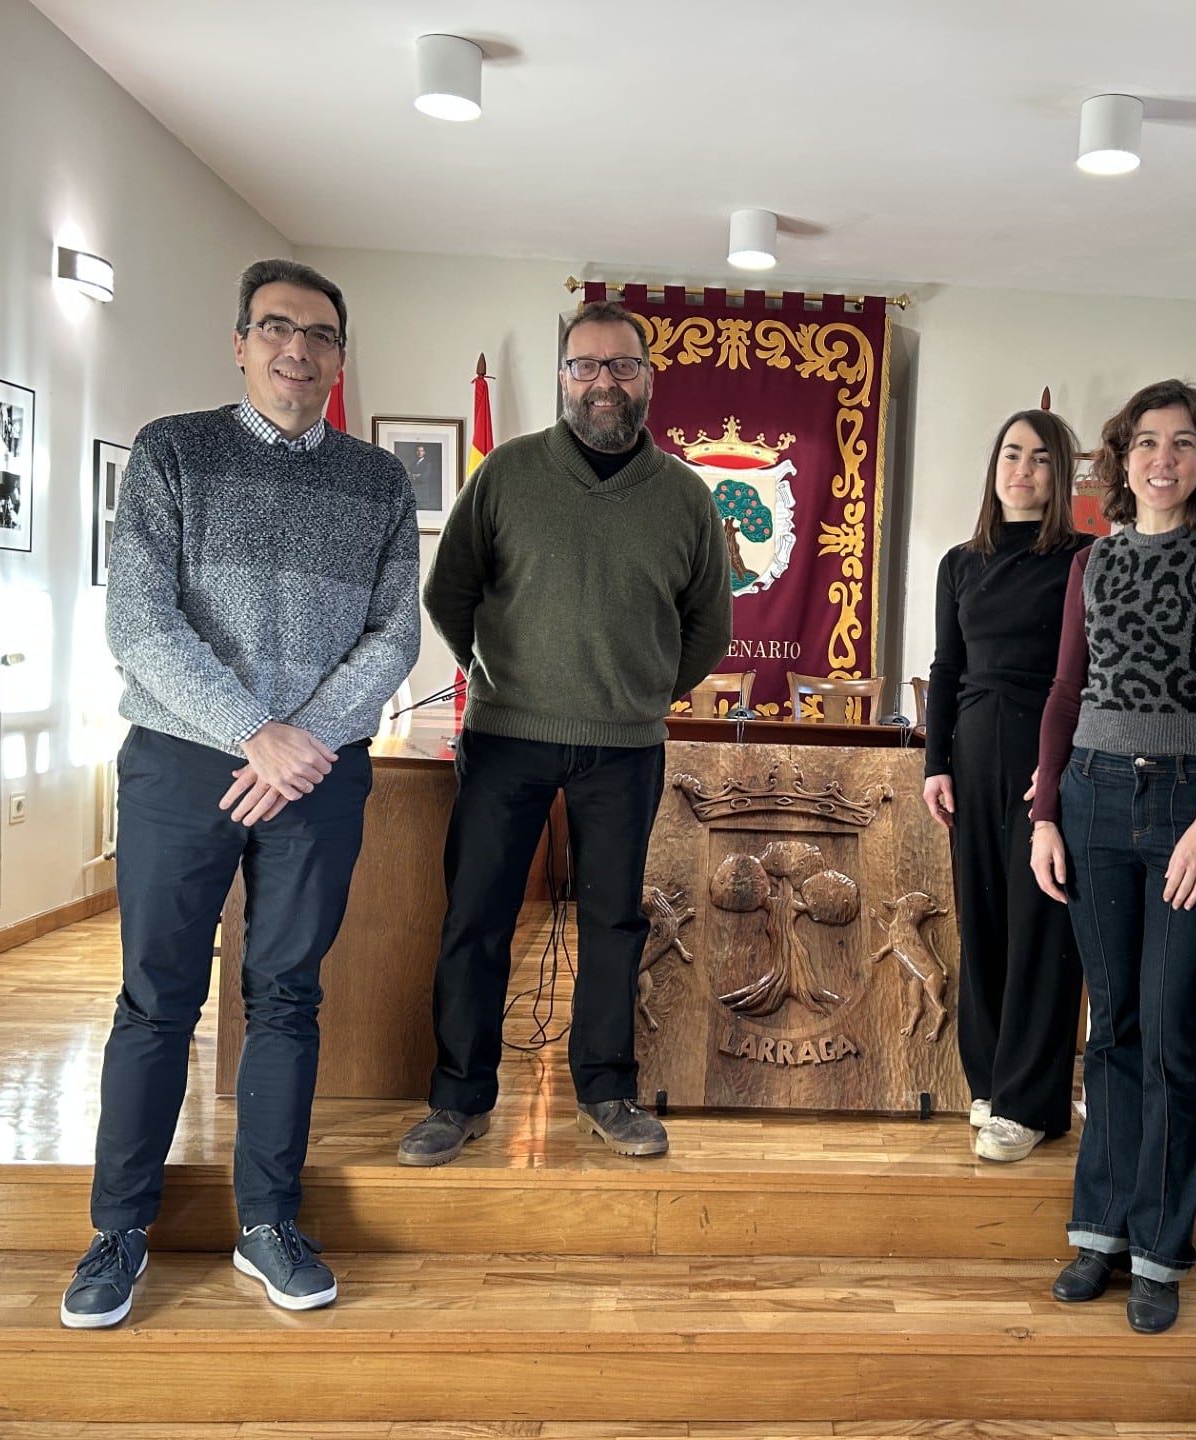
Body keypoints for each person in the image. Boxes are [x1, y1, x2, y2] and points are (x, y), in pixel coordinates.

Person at [61, 258, 421, 1328]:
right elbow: (139, 623)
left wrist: (301, 740)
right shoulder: (175, 451)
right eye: (275, 329)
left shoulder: (378, 482)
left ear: (340, 358)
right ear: (240, 342)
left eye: (317, 335)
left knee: (288, 997)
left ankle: (267, 1224)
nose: (296, 351)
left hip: (316, 771)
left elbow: (394, 632)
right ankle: (117, 1232)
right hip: (183, 760)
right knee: (156, 1000)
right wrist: (250, 733)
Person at [397, 299, 732, 1167]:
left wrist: (649, 690)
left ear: (649, 379)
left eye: (621, 365)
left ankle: (608, 1090)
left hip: (627, 746)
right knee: (477, 917)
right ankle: (459, 1098)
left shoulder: (687, 498)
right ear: (562, 378)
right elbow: (449, 592)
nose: (603, 382)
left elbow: (709, 627)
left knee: (615, 923)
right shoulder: (507, 474)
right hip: (507, 734)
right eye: (585, 365)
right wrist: (501, 676)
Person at [1029, 378, 1196, 1334]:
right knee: (1113, 1026)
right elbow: (1063, 692)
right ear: (1120, 460)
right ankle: (1101, 1230)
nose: (1162, 460)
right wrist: (1046, 809)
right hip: (1091, 798)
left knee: (1171, 1029)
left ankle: (1162, 1248)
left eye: (1181, 444)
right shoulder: (1092, 563)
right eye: (1145, 444)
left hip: (1189, 806)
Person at [922, 409, 1091, 1163]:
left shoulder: (1086, 558)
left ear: (1061, 475)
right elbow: (948, 668)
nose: (1021, 470)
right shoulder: (960, 562)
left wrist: (1055, 773)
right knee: (983, 924)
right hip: (973, 748)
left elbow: (1086, 673)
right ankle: (990, 1082)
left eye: (1040, 459)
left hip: (1047, 751)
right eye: (1011, 454)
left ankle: (1032, 1101)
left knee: (1041, 929)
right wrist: (936, 764)